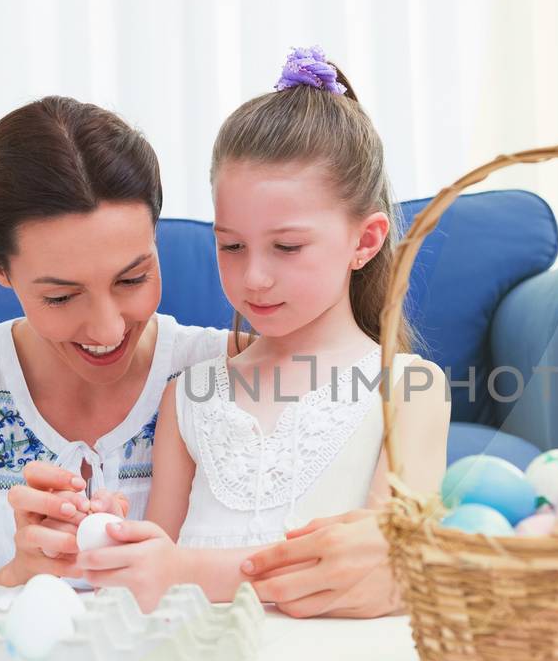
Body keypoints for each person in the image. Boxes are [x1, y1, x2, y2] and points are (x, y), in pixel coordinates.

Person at [72, 47, 450, 617]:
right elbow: (153, 576)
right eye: (231, 245)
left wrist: (180, 570)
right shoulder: (192, 393)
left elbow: (377, 569)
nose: (254, 277)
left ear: (365, 241)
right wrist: (114, 541)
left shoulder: (408, 387)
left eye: (287, 247)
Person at [0, 96, 235, 586]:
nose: (108, 330)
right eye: (61, 297)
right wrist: (17, 577)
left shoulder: (238, 372)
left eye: (132, 279)